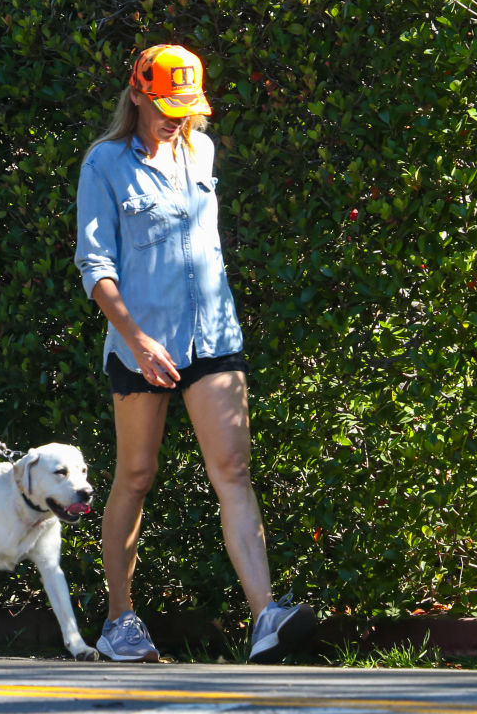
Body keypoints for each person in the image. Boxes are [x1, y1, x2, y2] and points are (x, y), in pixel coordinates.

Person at [74, 44, 316, 664]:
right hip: (140, 344)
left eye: (187, 107)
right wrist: (136, 338)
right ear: (137, 96)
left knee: (233, 470)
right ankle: (119, 619)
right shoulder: (104, 164)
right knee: (135, 474)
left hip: (213, 334)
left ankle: (264, 616)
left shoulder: (202, 151)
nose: (178, 118)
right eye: (166, 106)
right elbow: (95, 265)